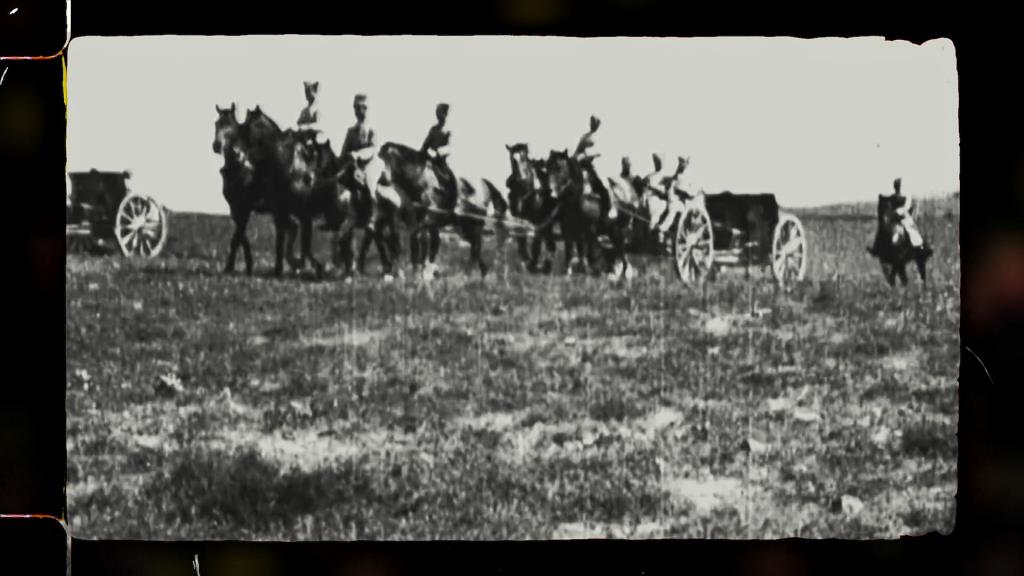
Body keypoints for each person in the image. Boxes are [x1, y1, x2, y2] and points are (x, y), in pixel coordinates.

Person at [340, 94, 400, 217]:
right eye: (356, 108)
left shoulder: (372, 129)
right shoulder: (351, 131)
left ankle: (373, 216)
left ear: (366, 109)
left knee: (369, 183)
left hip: (371, 162)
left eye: (362, 108)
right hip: (354, 164)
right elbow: (344, 150)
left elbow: (374, 148)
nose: (358, 111)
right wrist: (344, 158)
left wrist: (358, 154)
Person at [573, 114, 616, 219]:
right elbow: (578, 150)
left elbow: (599, 152)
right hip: (582, 164)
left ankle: (610, 208)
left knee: (604, 184)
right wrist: (575, 158)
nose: (593, 124)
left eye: (595, 122)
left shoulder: (601, 137)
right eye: (591, 122)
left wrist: (588, 156)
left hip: (596, 164)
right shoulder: (585, 136)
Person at [421, 102, 457, 197]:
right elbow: (425, 145)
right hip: (429, 160)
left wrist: (438, 152)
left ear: (445, 114)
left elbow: (450, 147)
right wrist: (422, 152)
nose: (438, 115)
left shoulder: (448, 130)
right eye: (437, 113)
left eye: (441, 113)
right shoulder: (433, 129)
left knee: (449, 180)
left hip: (441, 162)